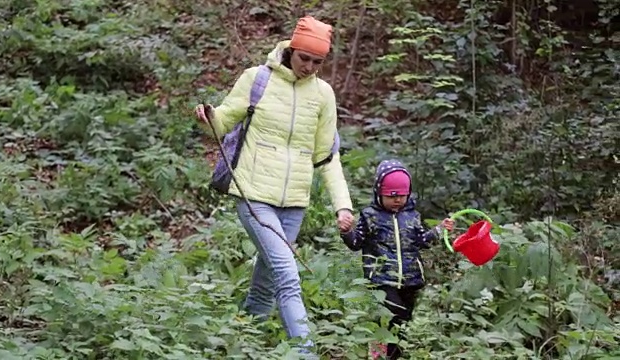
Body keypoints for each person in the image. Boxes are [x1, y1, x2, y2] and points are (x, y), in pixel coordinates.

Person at [194, 16, 355, 356]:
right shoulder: (257, 79)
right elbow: (223, 123)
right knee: (287, 274)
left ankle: (243, 344)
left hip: (294, 203)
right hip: (254, 196)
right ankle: (306, 352)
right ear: (291, 50)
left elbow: (327, 157)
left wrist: (343, 205)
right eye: (304, 58)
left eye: (317, 61)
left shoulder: (323, 95)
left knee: (266, 284)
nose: (309, 67)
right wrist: (209, 117)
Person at [340, 159, 455, 360]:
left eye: (401, 196)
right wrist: (347, 232)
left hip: (410, 279)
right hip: (381, 279)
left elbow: (421, 241)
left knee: (403, 321)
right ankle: (376, 355)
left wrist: (438, 230)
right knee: (390, 314)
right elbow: (356, 243)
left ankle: (395, 356)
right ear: (379, 193)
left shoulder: (412, 216)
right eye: (391, 196)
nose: (397, 201)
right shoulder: (370, 216)